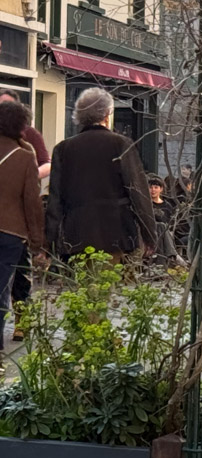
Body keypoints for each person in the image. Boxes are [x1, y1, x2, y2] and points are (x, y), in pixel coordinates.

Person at [46, 88, 157, 262]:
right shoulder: (121, 144)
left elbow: (55, 199)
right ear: (107, 114)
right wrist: (149, 234)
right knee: (110, 284)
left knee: (82, 285)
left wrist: (49, 242)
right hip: (116, 233)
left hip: (76, 234)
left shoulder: (63, 149)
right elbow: (138, 193)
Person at [0, 90, 49, 343]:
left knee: (17, 279)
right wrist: (38, 242)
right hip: (11, 230)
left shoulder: (28, 146)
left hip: (12, 227)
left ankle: (21, 320)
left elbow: (46, 161)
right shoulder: (24, 153)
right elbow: (32, 202)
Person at [148, 175, 185, 266]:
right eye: (150, 188)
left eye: (156, 187)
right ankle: (173, 255)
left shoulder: (167, 205)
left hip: (163, 233)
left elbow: (168, 222)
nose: (153, 190)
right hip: (149, 230)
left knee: (162, 227)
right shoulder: (146, 204)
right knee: (161, 226)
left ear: (161, 189)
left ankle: (161, 264)